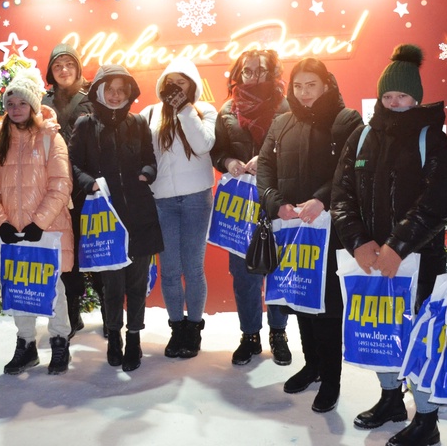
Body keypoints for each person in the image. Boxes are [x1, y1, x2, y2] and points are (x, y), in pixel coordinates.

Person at [331, 45, 447, 446]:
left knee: (416, 334)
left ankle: (427, 420)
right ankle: (390, 400)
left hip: (418, 260)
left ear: (416, 97)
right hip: (369, 260)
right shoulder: (362, 136)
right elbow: (341, 195)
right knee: (379, 328)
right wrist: (359, 243)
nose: (395, 103)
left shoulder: (431, 137)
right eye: (388, 96)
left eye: (402, 96)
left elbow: (437, 204)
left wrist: (397, 246)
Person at [257, 57, 363, 413]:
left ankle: (331, 378)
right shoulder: (282, 122)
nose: (304, 93)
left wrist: (321, 200)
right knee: (300, 296)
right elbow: (266, 166)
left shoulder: (346, 120)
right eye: (298, 86)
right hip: (291, 226)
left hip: (330, 227)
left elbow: (349, 170)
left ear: (327, 84)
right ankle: (312, 365)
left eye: (311, 85)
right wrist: (276, 203)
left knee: (328, 305)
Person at [69, 65, 163, 372]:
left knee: (137, 283)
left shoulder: (137, 123)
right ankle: (114, 336)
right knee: (111, 285)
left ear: (129, 93)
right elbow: (73, 165)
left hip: (139, 215)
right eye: (110, 89)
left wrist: (146, 174)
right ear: (99, 91)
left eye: (122, 90)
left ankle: (134, 336)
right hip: (104, 217)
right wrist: (89, 182)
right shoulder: (85, 125)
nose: (115, 95)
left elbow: (150, 160)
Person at [0, 67, 75, 375]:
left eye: (22, 103)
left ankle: (60, 342)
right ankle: (26, 345)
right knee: (19, 287)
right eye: (10, 104)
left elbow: (61, 185)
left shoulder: (51, 139)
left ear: (33, 106)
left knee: (53, 289)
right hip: (13, 234)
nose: (16, 109)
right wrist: (2, 224)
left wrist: (39, 223)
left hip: (46, 232)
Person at [211, 49, 293, 367]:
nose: (254, 76)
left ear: (272, 72)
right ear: (238, 73)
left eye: (261, 71)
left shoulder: (286, 107)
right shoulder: (228, 109)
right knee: (243, 272)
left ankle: (278, 334)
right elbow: (218, 151)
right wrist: (229, 161)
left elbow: (296, 149)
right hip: (241, 205)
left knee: (276, 268)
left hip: (276, 199)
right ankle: (250, 336)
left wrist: (268, 158)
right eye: (248, 71)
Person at [143, 58, 217, 359]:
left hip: (197, 197)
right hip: (162, 201)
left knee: (193, 267)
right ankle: (177, 328)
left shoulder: (205, 110)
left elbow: (203, 145)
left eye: (182, 81)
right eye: (170, 81)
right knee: (170, 270)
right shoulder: (149, 113)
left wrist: (185, 109)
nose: (175, 87)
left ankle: (194, 328)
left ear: (193, 84)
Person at [40, 43, 101, 337]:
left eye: (69, 65)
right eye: (57, 66)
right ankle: (72, 314)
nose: (64, 71)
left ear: (77, 68)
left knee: (94, 248)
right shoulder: (42, 101)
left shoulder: (89, 99)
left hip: (85, 187)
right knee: (66, 253)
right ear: (51, 71)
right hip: (54, 190)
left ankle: (110, 312)